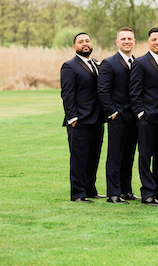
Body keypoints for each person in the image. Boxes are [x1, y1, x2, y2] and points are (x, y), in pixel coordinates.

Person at [59, 32, 105, 202]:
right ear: (74, 47)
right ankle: (78, 194)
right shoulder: (69, 66)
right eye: (80, 42)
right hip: (80, 121)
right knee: (79, 159)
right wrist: (72, 118)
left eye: (87, 41)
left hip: (97, 119)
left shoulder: (96, 64)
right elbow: (67, 94)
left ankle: (90, 189)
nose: (85, 44)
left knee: (94, 157)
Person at [130, 27, 158, 205]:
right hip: (147, 118)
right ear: (148, 42)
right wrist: (141, 113)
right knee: (145, 156)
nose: (157, 42)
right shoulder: (140, 63)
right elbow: (134, 91)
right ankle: (147, 193)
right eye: (154, 39)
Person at [97, 27, 138, 204]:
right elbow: (103, 90)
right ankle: (113, 193)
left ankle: (126, 190)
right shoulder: (109, 63)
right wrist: (112, 112)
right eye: (123, 39)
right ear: (117, 42)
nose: (127, 41)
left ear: (134, 41)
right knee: (115, 155)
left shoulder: (137, 62)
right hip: (118, 117)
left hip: (134, 117)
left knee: (129, 154)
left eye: (130, 38)